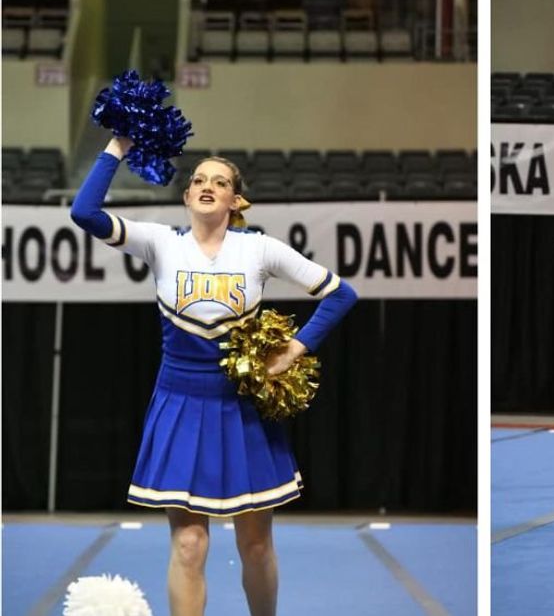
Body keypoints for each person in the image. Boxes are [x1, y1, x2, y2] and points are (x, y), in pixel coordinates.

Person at [70, 136, 358, 616]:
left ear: (235, 200)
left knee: (256, 544)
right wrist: (117, 146)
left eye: (220, 182)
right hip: (179, 402)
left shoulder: (259, 249)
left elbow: (341, 294)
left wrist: (295, 348)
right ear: (186, 196)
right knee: (188, 544)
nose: (207, 186)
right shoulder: (161, 242)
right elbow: (84, 213)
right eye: (199, 180)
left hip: (242, 408)